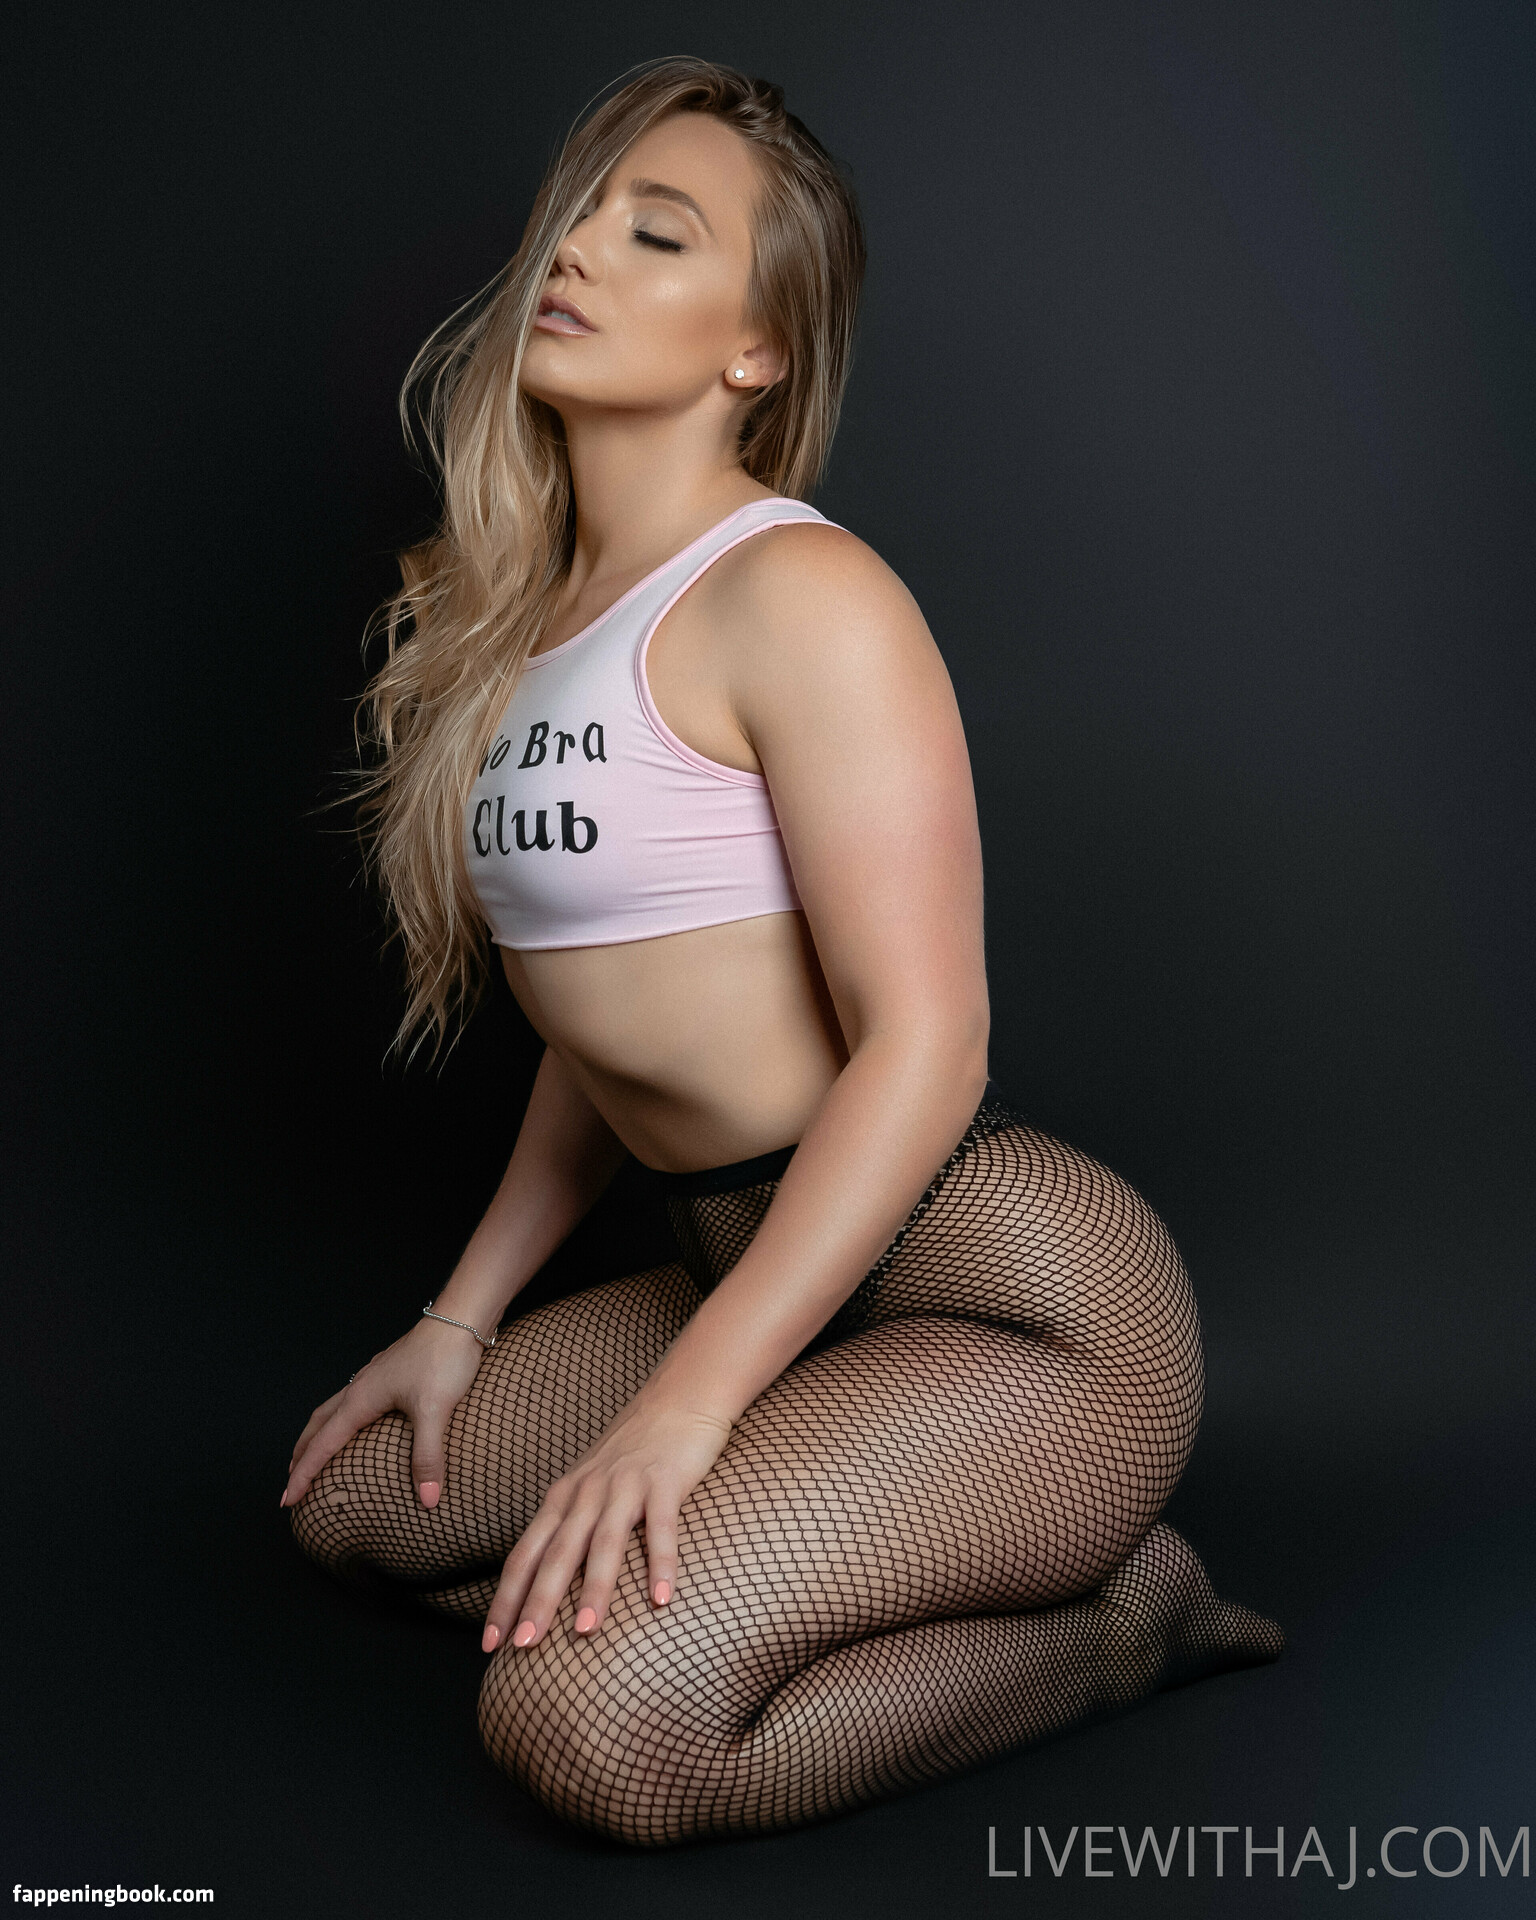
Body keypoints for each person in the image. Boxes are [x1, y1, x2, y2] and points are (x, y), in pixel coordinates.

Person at [282, 56, 1284, 1848]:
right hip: (737, 1265)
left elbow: (930, 1044)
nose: (575, 252)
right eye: (581, 215)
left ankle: (1125, 1618)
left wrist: (682, 1413)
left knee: (592, 1733)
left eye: (657, 233)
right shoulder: (517, 622)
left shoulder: (798, 594)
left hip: (1010, 1305)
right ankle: (803, 1543)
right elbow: (607, 1028)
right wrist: (457, 1318)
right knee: (353, 1504)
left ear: (757, 348)